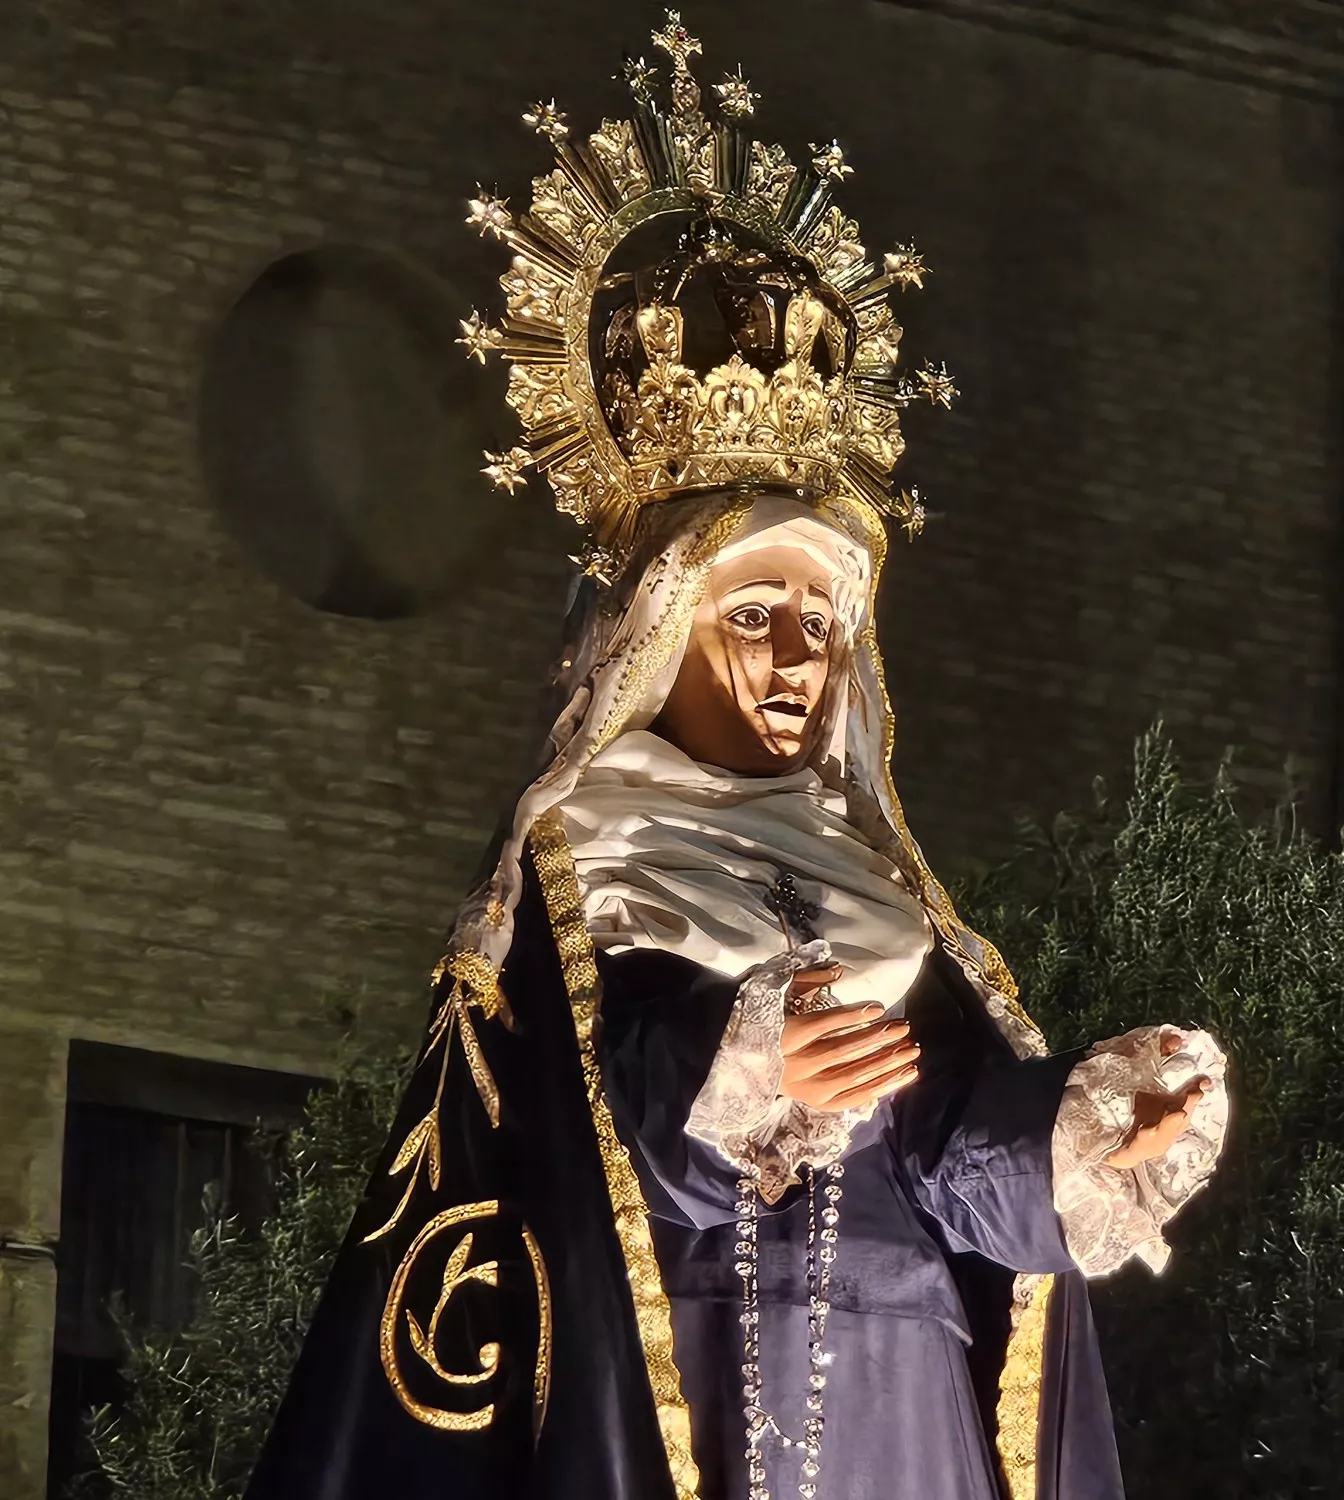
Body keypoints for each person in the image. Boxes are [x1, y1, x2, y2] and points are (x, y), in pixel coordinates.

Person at [245, 17, 1227, 1500]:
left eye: (823, 618)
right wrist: (743, 1069)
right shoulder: (584, 868)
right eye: (753, 611)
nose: (796, 655)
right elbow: (570, 1158)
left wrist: (1087, 1135)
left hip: (901, 1408)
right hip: (675, 1386)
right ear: (656, 628)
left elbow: (958, 1158)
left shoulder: (887, 892)